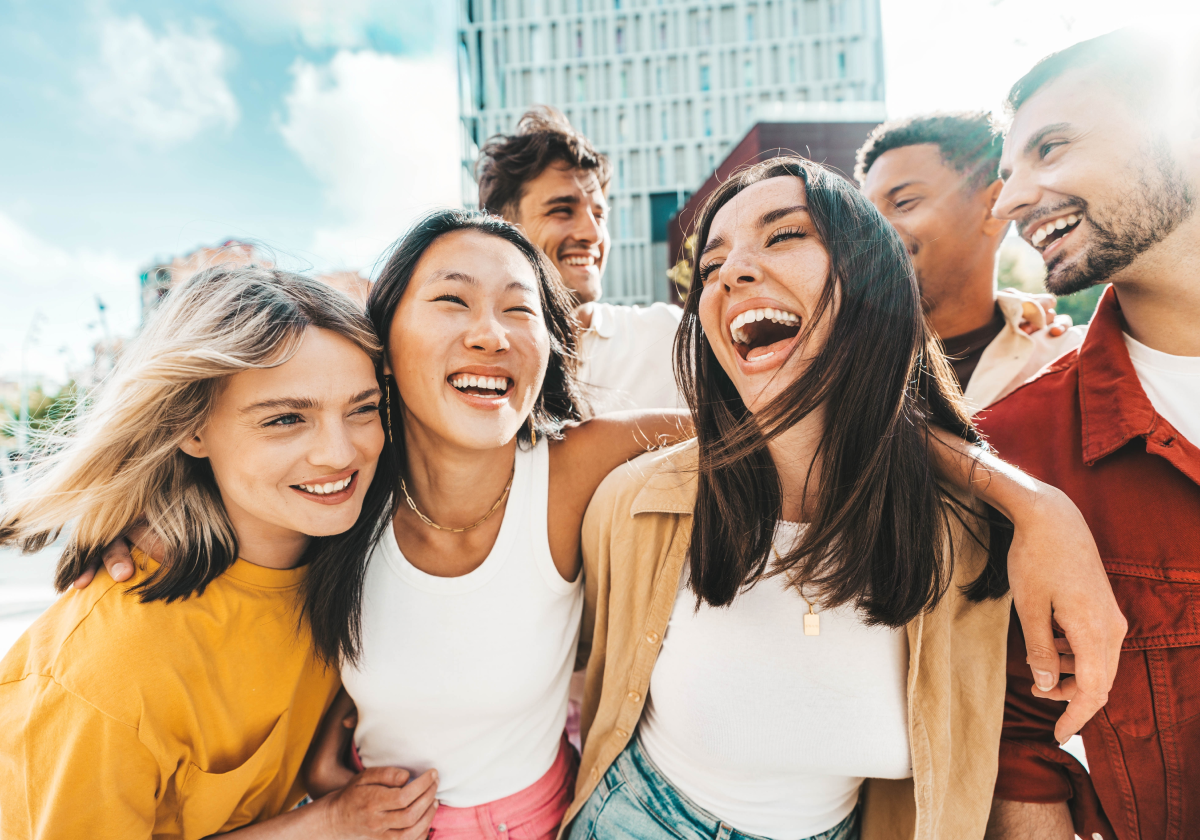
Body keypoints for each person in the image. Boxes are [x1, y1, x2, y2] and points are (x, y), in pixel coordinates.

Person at [565, 156, 1125, 840]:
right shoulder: (635, 504)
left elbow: (1017, 756)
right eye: (712, 266)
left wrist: (1041, 507)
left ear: (869, 283)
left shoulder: (974, 537)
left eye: (783, 235)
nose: (733, 272)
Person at [0, 267, 440, 838]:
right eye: (286, 418)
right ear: (192, 430)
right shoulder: (105, 673)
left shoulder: (353, 560)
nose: (340, 453)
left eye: (362, 409)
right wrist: (325, 824)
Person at [295, 209, 691, 840]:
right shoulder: (341, 488)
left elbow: (758, 436)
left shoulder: (570, 469)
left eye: (518, 309)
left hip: (548, 820)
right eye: (452, 300)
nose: (490, 335)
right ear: (385, 347)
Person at [979, 30, 1199, 840]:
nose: (1006, 203)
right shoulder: (1017, 449)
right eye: (1005, 175)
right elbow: (1020, 746)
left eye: (1052, 148)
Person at [857, 111, 1083, 414]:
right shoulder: (829, 372)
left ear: (993, 208)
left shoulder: (1071, 363)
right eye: (864, 216)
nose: (873, 232)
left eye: (903, 203)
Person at [476, 106, 683, 413]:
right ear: (503, 229)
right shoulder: (478, 361)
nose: (593, 233)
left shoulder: (672, 338)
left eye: (600, 215)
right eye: (562, 210)